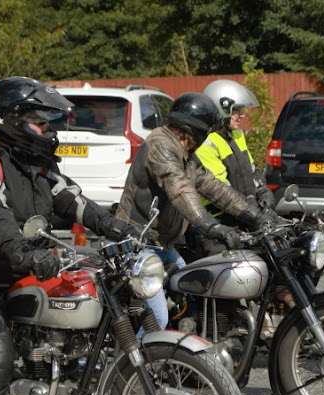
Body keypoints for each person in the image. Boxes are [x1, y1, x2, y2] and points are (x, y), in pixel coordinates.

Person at [0, 76, 139, 395]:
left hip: (25, 269)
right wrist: (23, 251)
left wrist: (116, 226)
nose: (48, 129)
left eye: (49, 121)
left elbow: (72, 200)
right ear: (12, 120)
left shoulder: (35, 161)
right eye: (40, 121)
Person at [115, 92, 276, 331]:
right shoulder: (161, 145)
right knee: (158, 319)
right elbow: (180, 190)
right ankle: (138, 355)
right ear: (197, 131)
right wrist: (212, 226)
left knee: (196, 296)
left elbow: (213, 186)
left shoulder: (186, 155)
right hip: (138, 244)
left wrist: (254, 215)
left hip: (164, 246)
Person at [190, 79, 277, 256]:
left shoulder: (236, 134)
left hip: (244, 216)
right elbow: (222, 190)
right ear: (220, 109)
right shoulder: (206, 142)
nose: (242, 115)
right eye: (236, 110)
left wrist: (263, 193)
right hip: (218, 223)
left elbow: (252, 171)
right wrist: (255, 214)